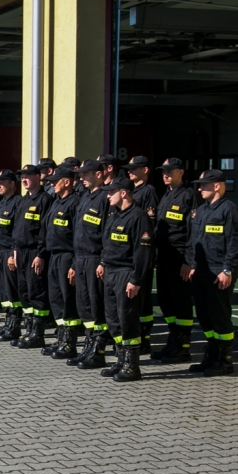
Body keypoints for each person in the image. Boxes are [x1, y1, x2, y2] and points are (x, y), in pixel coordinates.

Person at [187, 169, 238, 376]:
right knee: (204, 316)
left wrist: (227, 269)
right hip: (202, 271)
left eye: (204, 185)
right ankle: (211, 355)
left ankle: (224, 360)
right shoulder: (202, 210)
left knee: (219, 316)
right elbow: (195, 241)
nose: (200, 188)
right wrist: (193, 265)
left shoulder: (229, 210)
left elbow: (236, 242)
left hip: (218, 270)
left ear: (218, 186)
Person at [97, 176, 152, 382]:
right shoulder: (114, 215)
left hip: (126, 274)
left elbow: (143, 252)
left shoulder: (138, 217)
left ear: (123, 193)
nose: (108, 195)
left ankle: (132, 365)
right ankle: (120, 359)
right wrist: (103, 263)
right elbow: (108, 243)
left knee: (128, 319)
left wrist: (136, 279)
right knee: (113, 319)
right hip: (111, 272)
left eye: (111, 192)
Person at [152, 158, 201, 362]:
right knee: (166, 300)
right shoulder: (166, 196)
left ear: (181, 172)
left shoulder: (188, 196)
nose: (166, 174)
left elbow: (193, 232)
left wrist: (188, 262)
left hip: (179, 257)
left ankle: (183, 346)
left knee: (181, 302)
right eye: (164, 171)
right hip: (163, 256)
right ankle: (173, 340)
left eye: (170, 171)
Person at [70, 160, 112, 369]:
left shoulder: (105, 198)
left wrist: (104, 261)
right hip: (80, 257)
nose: (82, 178)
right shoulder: (85, 197)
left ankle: (99, 349)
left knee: (97, 306)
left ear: (98, 174)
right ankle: (88, 344)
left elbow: (107, 232)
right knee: (84, 305)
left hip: (95, 258)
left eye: (86, 174)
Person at [40, 167, 81, 358]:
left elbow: (77, 236)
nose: (51, 184)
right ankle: (61, 338)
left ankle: (70, 342)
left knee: (67, 300)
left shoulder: (74, 203)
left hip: (67, 256)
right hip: (54, 256)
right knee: (55, 299)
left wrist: (74, 263)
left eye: (55, 181)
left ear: (67, 182)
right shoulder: (57, 202)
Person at [11, 164, 53, 348]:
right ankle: (28, 330)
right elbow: (17, 228)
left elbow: (45, 231)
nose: (24, 179)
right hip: (20, 252)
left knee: (37, 292)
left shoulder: (44, 200)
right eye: (22, 176)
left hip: (34, 253)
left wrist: (41, 254)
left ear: (38, 177)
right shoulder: (22, 200)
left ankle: (38, 334)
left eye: (28, 176)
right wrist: (14, 251)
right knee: (24, 292)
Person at [124, 155, 159, 352]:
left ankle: (144, 336)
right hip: (128, 254)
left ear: (145, 170)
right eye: (129, 169)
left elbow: (149, 223)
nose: (130, 172)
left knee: (143, 298)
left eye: (134, 169)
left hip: (141, 251)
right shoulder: (133, 190)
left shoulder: (148, 191)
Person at [0, 170, 21, 340]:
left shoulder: (17, 203)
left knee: (11, 291)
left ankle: (15, 325)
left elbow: (16, 231)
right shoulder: (2, 203)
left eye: (2, 182)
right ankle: (7, 322)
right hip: (0, 251)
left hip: (9, 251)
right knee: (2, 290)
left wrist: (12, 254)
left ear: (11, 183)